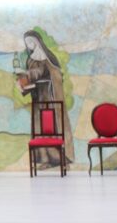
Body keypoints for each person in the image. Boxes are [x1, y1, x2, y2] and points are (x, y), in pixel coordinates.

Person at [17, 30, 75, 166]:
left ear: (37, 42)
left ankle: (57, 157)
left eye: (31, 42)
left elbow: (55, 74)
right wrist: (25, 85)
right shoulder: (30, 59)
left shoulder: (48, 58)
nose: (29, 45)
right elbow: (34, 76)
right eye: (27, 43)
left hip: (50, 97)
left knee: (52, 125)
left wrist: (29, 75)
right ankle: (43, 158)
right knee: (39, 126)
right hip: (38, 99)